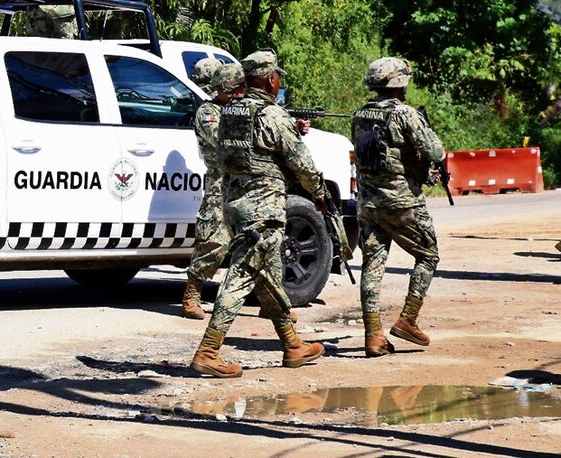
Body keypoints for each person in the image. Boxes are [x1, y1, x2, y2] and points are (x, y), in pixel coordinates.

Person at [190, 49, 326, 378]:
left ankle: (292, 345)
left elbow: (220, 158)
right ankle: (208, 351)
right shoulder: (271, 114)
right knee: (242, 275)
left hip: (234, 202)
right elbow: (301, 163)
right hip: (263, 207)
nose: (278, 81)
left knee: (267, 274)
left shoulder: (229, 112)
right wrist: (318, 192)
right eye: (276, 76)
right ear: (269, 79)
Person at [352, 57, 444, 357]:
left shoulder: (360, 114)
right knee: (428, 255)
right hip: (402, 202)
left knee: (372, 264)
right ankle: (408, 319)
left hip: (368, 203)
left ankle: (373, 335)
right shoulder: (405, 114)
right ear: (399, 83)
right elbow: (436, 151)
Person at [181, 59, 244, 319]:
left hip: (245, 184)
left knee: (262, 244)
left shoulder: (242, 111)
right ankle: (191, 296)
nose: (241, 93)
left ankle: (272, 304)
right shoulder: (208, 112)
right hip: (221, 184)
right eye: (237, 89)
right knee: (214, 242)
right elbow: (223, 142)